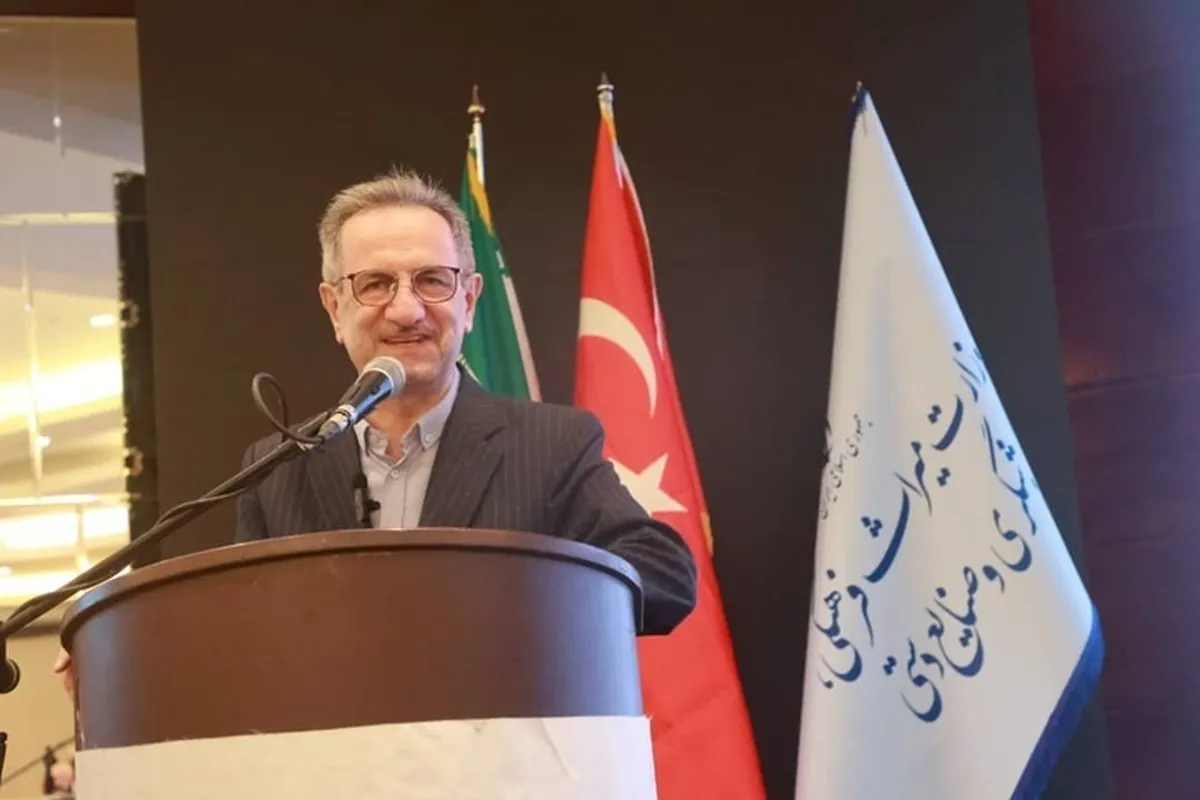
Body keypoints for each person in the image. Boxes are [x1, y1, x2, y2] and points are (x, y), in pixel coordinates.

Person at [54, 169, 697, 693]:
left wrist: (502, 606)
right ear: (334, 308)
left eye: (432, 280)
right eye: (375, 284)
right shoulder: (279, 465)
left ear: (470, 300)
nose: (407, 309)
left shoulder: (552, 444)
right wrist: (125, 650)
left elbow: (664, 574)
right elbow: (246, 627)